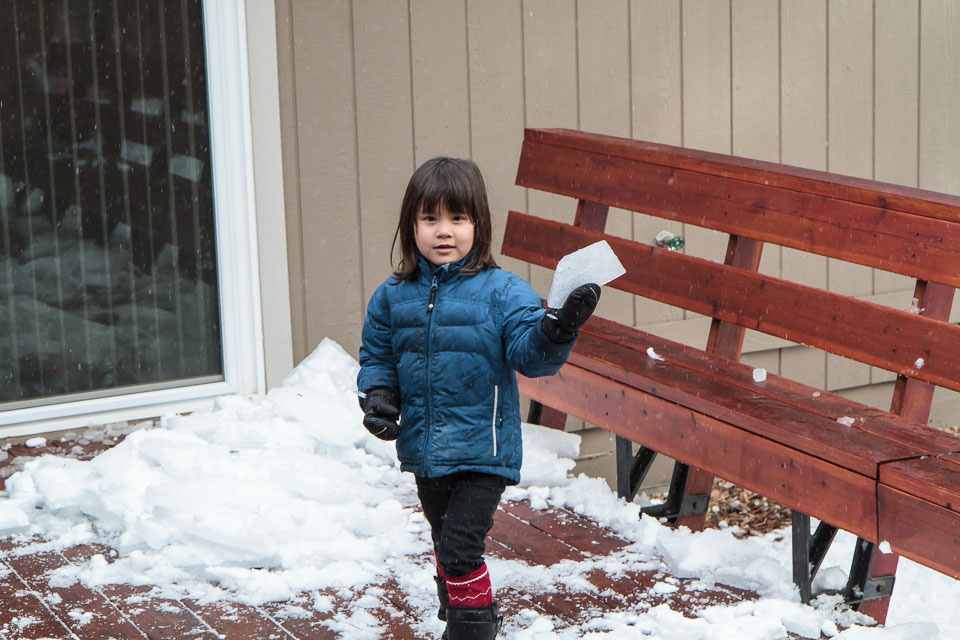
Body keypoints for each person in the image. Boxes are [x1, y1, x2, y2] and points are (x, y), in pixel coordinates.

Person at [357, 157, 600, 640]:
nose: (443, 230)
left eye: (457, 218)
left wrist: (558, 329)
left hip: (483, 450)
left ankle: (474, 630)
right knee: (443, 541)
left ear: (478, 224)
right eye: (430, 218)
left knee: (460, 549)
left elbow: (531, 355)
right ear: (411, 225)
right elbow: (378, 355)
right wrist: (380, 396)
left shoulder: (503, 293)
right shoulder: (392, 297)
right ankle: (460, 619)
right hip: (426, 449)